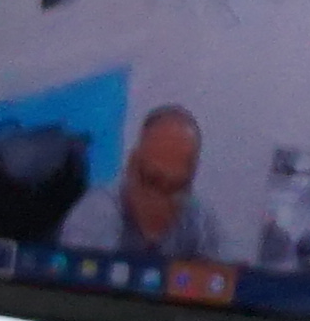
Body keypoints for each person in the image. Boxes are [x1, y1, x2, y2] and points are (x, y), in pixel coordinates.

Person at [61, 102, 221, 266]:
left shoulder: (201, 222)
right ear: (132, 166)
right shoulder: (95, 215)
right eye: (152, 181)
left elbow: (226, 272)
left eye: (176, 187)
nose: (162, 200)